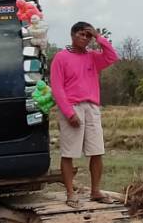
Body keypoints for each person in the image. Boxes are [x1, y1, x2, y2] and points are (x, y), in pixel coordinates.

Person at [49, 21, 119, 205]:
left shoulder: (92, 57)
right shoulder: (61, 57)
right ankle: (71, 194)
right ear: (72, 35)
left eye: (88, 36)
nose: (85, 38)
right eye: (82, 34)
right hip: (72, 107)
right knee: (69, 153)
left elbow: (112, 57)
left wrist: (98, 36)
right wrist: (68, 112)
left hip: (92, 107)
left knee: (97, 151)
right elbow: (57, 87)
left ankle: (95, 191)